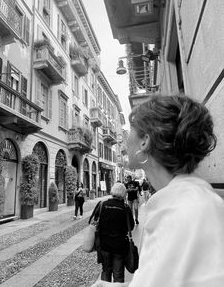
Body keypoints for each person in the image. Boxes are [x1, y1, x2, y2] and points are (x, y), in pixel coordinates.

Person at [91, 94, 224, 287]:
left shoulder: (189, 212)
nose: (126, 138)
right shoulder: (182, 203)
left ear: (145, 141)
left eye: (131, 131)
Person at [89, 182, 134, 283]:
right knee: (118, 274)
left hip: (104, 245)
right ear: (124, 194)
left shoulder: (103, 205)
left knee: (106, 271)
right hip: (119, 246)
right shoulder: (125, 208)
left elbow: (93, 222)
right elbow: (131, 226)